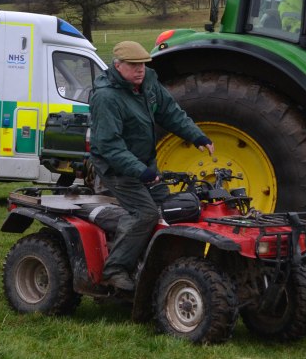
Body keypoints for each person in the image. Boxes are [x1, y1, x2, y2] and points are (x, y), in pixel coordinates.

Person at [88, 41, 214, 291]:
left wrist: (196, 136)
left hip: (144, 163)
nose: (140, 70)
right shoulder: (106, 98)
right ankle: (115, 269)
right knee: (143, 213)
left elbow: (171, 112)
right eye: (133, 65)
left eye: (143, 64)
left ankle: (152, 263)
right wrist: (140, 172)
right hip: (117, 168)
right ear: (118, 65)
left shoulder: (148, 85)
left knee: (170, 209)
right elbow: (110, 147)